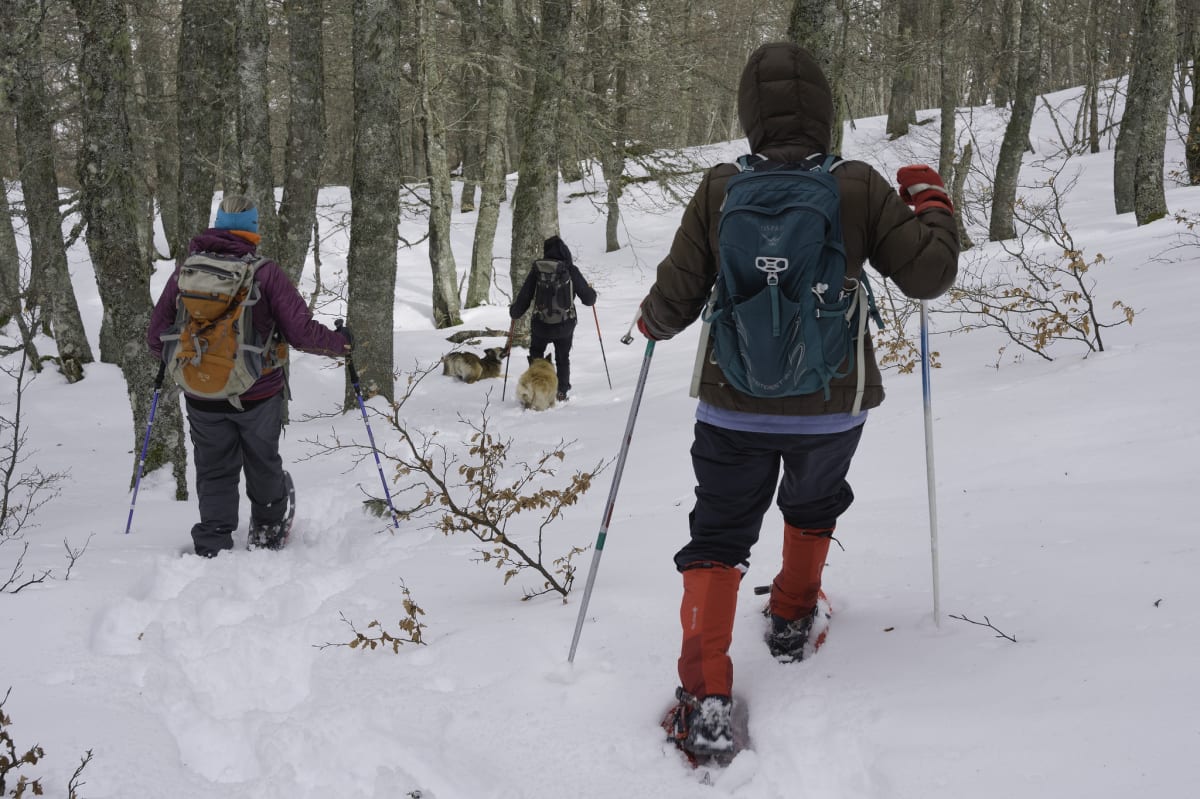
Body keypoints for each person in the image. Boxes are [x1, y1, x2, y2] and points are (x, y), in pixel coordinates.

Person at [637, 42, 959, 757]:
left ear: (750, 116)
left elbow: (676, 297)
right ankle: (790, 617)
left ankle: (705, 696)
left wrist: (651, 320)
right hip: (831, 403)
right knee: (813, 504)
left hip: (731, 403)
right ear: (824, 109)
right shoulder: (856, 186)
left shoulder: (721, 188)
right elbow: (929, 275)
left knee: (719, 534)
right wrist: (932, 203)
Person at [148, 195, 351, 558]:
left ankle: (213, 538)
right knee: (262, 460)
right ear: (254, 229)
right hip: (258, 390)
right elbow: (302, 333)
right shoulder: (265, 272)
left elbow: (155, 336)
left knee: (213, 467)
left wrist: (196, 363)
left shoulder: (186, 271)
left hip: (201, 393)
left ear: (217, 224)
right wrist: (342, 344)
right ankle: (268, 530)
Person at [509, 235, 597, 401]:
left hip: (540, 325)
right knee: (562, 358)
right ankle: (561, 391)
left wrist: (515, 312)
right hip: (565, 325)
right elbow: (589, 300)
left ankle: (534, 388)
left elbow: (525, 297)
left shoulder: (537, 270)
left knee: (536, 356)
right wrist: (592, 292)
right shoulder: (570, 269)